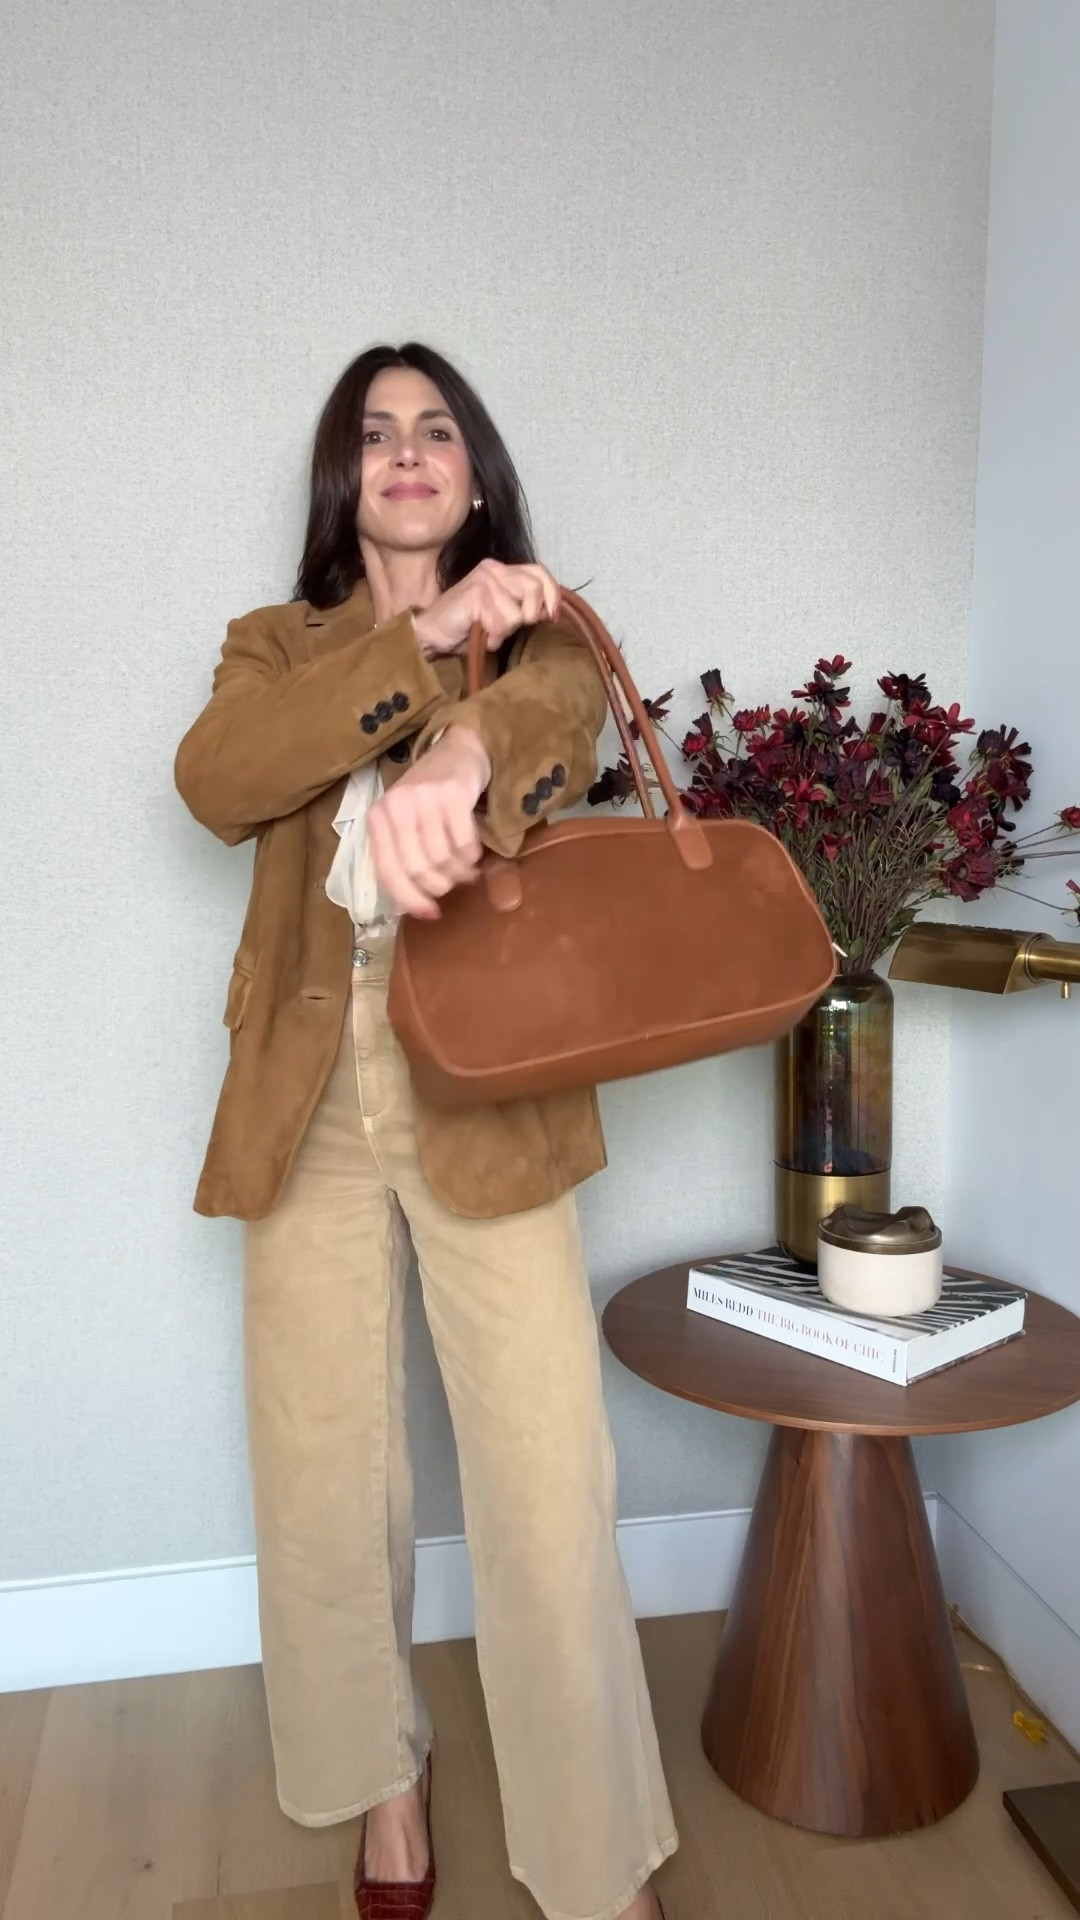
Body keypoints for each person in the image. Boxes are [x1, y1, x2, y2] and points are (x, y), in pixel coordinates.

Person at [175, 343, 675, 1920]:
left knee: (544, 1476)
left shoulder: (540, 629)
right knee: (325, 1471)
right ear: (348, 476)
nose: (407, 453)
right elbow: (219, 777)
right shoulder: (278, 646)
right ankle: (388, 1797)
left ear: (474, 468)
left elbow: (558, 723)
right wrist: (416, 641)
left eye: (436, 429)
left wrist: (460, 734)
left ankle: (594, 1863)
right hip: (307, 1093)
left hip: (488, 1082)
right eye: (376, 434)